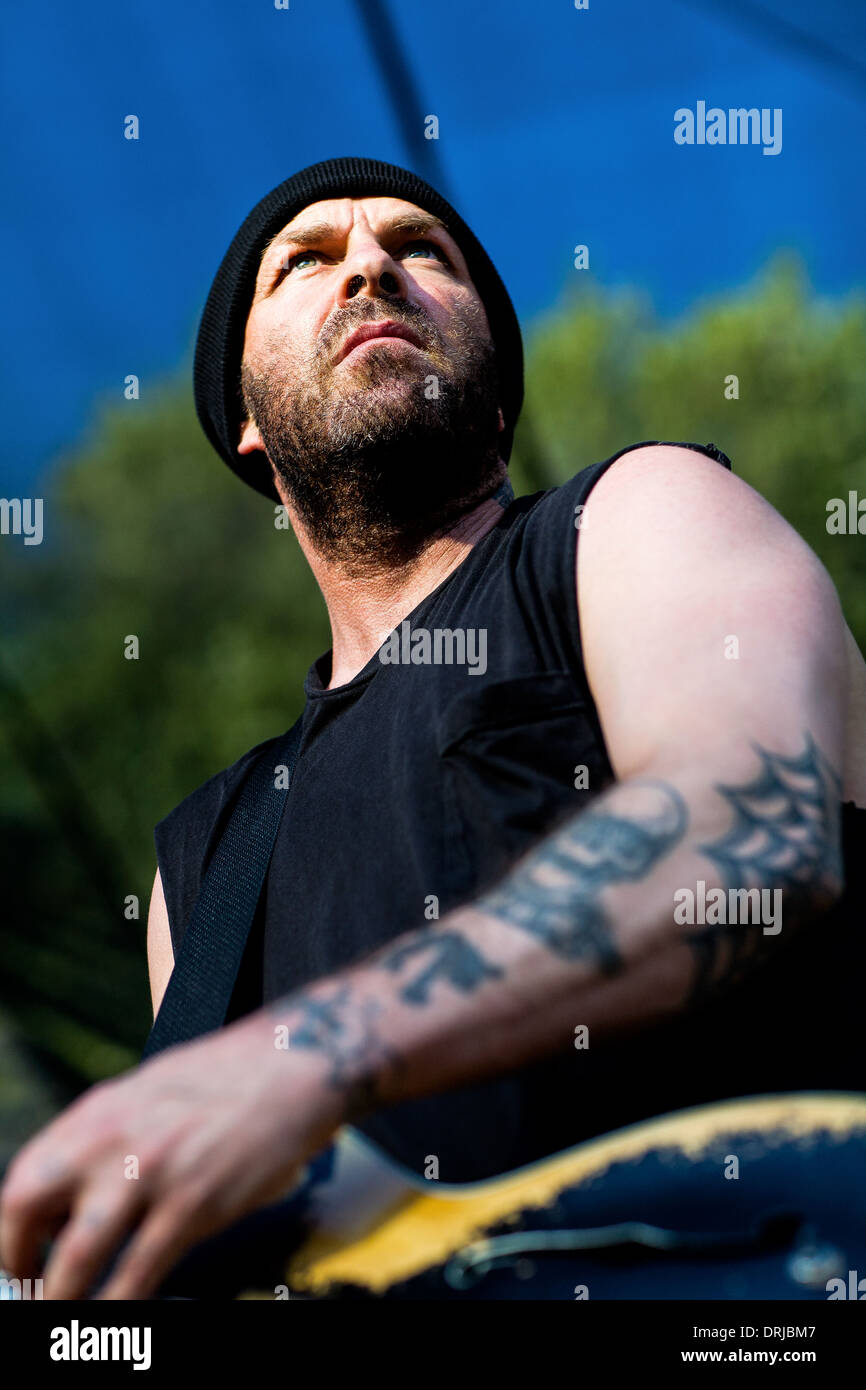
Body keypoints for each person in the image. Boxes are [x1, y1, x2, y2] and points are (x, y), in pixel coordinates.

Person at [1, 157, 864, 1302]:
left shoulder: (633, 520)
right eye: (301, 264)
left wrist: (308, 1058)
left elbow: (750, 835)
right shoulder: (202, 862)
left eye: (421, 251)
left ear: (497, 395)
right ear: (248, 422)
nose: (367, 265)